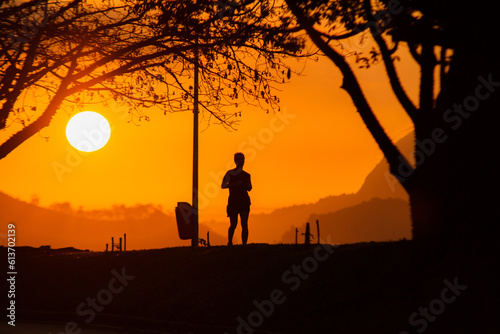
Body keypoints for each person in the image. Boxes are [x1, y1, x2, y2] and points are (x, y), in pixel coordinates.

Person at [221, 152, 252, 245]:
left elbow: (250, 187)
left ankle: (244, 244)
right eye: (239, 159)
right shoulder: (229, 173)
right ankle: (230, 242)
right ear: (235, 161)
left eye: (242, 159)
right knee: (233, 224)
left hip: (244, 201)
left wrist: (247, 185)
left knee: (244, 224)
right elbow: (223, 185)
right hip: (233, 202)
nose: (241, 161)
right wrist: (235, 184)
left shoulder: (247, 175)